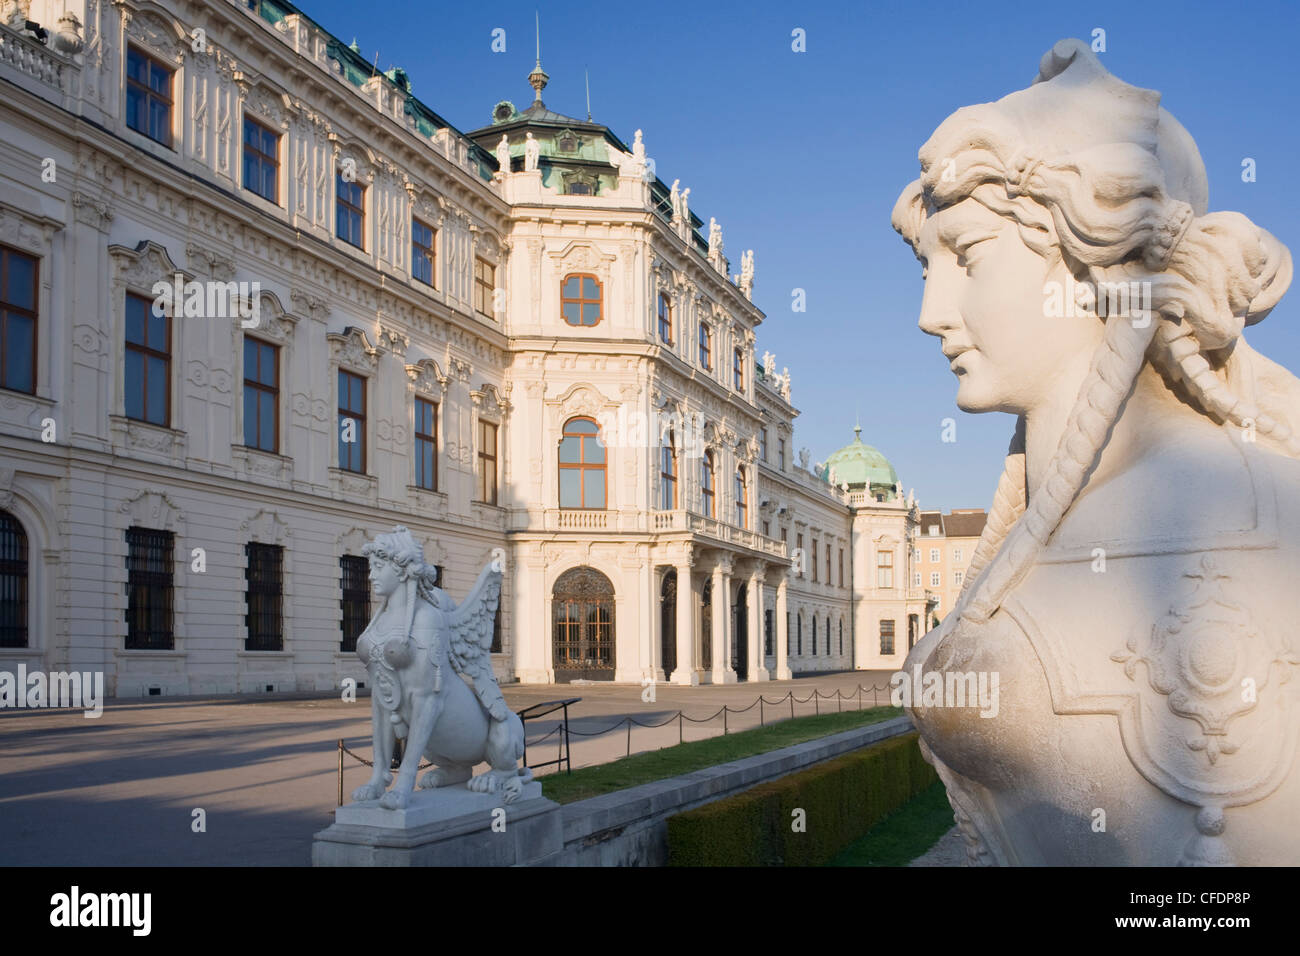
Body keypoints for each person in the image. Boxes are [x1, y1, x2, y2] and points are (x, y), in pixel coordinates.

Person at [892, 39, 1300, 865]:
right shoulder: (1071, 501)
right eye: (924, 270)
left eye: (965, 258)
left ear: (1093, 259)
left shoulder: (1216, 513)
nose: (931, 313)